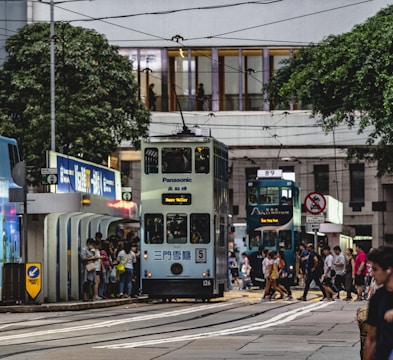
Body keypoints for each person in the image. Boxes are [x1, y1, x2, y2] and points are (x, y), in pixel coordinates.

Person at [364, 245, 393, 360]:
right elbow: (371, 338)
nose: (372, 273)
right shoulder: (378, 297)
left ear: (389, 269)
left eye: (375, 269)